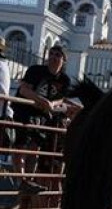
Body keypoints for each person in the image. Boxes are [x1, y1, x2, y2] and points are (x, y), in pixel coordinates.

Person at [14, 45, 72, 175]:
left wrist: (52, 103)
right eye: (51, 53)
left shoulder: (64, 80)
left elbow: (62, 98)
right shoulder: (35, 70)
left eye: (57, 55)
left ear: (64, 60)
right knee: (21, 147)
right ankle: (21, 180)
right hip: (24, 111)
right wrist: (43, 101)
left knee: (35, 148)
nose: (53, 57)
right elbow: (23, 90)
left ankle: (29, 179)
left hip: (42, 116)